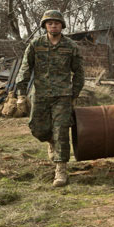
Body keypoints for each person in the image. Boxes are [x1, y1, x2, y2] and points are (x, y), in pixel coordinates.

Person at [16, 10, 84, 187]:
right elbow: (25, 68)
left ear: (62, 25)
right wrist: (21, 94)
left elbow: (79, 72)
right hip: (40, 94)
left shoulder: (70, 46)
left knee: (61, 130)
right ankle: (50, 141)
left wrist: (74, 94)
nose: (53, 26)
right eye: (50, 23)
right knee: (37, 128)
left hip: (63, 96)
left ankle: (61, 170)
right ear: (45, 26)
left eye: (57, 23)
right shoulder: (36, 44)